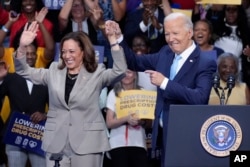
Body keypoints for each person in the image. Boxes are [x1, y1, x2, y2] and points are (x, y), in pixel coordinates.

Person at [106, 12, 217, 166]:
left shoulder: (205, 62)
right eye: (167, 34)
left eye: (175, 33)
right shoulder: (165, 52)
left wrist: (165, 83)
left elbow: (200, 98)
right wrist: (119, 38)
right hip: (163, 135)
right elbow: (134, 63)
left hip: (189, 135)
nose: (171, 39)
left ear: (189, 33)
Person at [12, 20, 126, 167]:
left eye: (71, 51)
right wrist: (22, 46)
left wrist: (113, 41)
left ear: (83, 52)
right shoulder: (54, 70)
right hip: (56, 142)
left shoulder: (97, 72)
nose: (67, 56)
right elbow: (23, 70)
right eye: (64, 52)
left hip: (87, 143)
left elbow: (120, 71)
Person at [0, 41, 48, 167]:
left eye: (32, 54)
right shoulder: (10, 78)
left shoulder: (45, 78)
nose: (30, 56)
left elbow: (56, 106)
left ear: (37, 56)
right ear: (18, 55)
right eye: (26, 54)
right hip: (15, 132)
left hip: (37, 134)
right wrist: (0, 79)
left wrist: (45, 115)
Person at [106, 69, 148, 167]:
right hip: (117, 144)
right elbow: (109, 122)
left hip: (138, 143)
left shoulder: (143, 92)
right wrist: (126, 118)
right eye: (123, 72)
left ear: (135, 75)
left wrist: (140, 121)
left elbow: (149, 122)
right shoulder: (113, 93)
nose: (126, 75)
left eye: (129, 72)